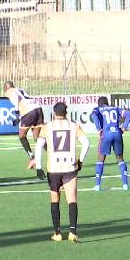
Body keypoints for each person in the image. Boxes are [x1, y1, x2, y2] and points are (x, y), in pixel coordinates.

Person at [31, 102, 90, 243]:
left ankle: (57, 233)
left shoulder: (47, 127)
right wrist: (80, 160)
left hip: (54, 168)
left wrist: (39, 167)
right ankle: (72, 232)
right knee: (72, 199)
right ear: (66, 113)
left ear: (54, 113)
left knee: (54, 199)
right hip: (70, 167)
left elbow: (39, 146)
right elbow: (86, 144)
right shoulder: (74, 126)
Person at [3, 81, 45, 179]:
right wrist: (19, 118)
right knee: (38, 138)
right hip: (38, 109)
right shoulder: (21, 89)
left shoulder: (10, 91)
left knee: (22, 136)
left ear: (6, 88)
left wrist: (16, 109)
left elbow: (15, 97)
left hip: (29, 112)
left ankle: (32, 157)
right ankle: (53, 154)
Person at [90, 97, 130, 192]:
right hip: (117, 133)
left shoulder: (98, 109)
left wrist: (99, 129)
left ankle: (97, 185)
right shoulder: (115, 108)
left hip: (106, 134)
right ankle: (125, 184)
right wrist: (123, 127)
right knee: (120, 159)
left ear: (99, 104)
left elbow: (93, 116)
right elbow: (129, 114)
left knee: (101, 159)